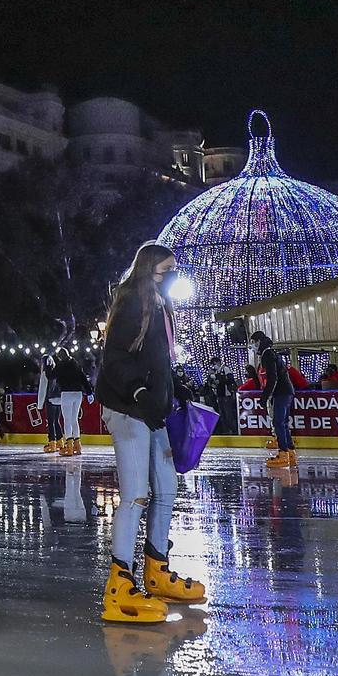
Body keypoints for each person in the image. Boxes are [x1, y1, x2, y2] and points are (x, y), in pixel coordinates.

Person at [95, 243, 207, 623]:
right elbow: (114, 361)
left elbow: (155, 359)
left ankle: (156, 568)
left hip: (153, 411)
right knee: (135, 495)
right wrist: (140, 392)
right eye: (166, 270)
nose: (172, 275)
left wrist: (172, 387)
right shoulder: (131, 303)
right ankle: (119, 582)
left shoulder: (160, 305)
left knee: (167, 488)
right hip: (128, 410)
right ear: (147, 271)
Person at [251, 331, 297, 469]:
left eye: (253, 342)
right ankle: (290, 452)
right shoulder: (269, 353)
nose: (252, 346)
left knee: (278, 422)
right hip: (284, 391)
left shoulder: (267, 354)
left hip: (281, 392)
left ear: (259, 341)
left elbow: (273, 377)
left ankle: (283, 453)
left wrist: (265, 397)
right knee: (282, 422)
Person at [51, 350, 89, 456]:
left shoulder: (61, 365)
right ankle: (78, 444)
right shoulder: (76, 364)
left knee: (67, 420)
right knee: (74, 419)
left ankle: (70, 446)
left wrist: (50, 365)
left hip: (66, 393)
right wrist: (89, 391)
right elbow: (83, 378)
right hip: (78, 393)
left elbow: (51, 376)